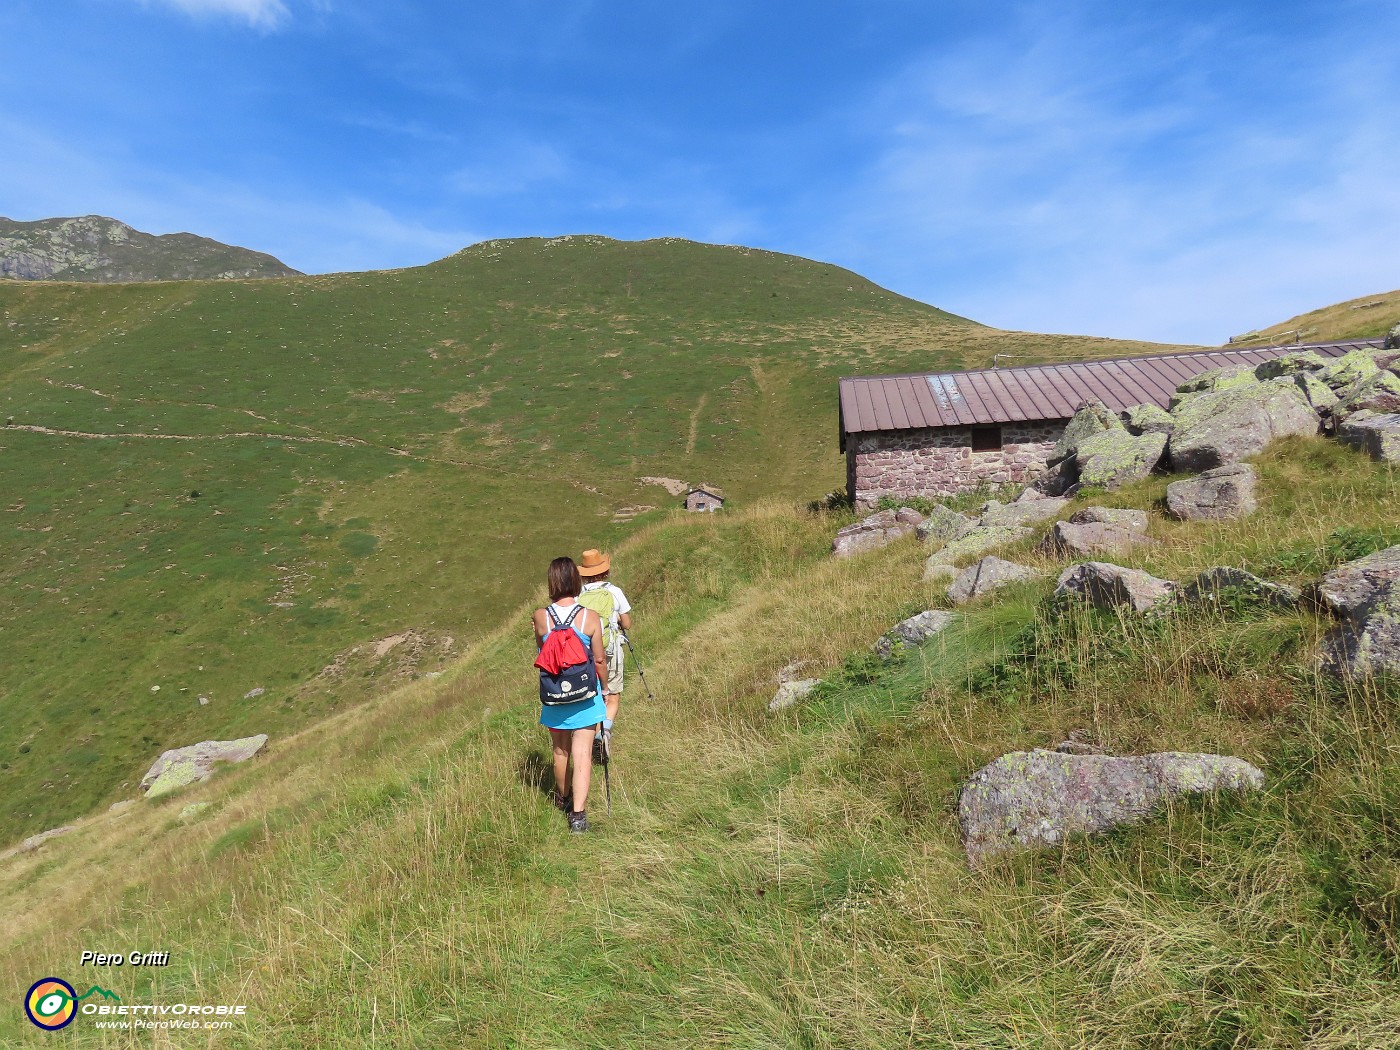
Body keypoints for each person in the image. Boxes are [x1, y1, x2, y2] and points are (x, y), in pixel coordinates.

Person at [533, 556, 608, 834]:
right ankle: (578, 816)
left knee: (560, 750)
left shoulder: (541, 617)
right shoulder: (590, 617)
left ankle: (561, 798)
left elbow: (542, 652)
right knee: (583, 753)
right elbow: (599, 659)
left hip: (554, 694)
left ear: (552, 582)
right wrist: (606, 686)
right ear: (576, 581)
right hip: (586, 695)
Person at [575, 548, 632, 759]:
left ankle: (593, 733)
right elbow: (627, 622)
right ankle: (604, 732)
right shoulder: (614, 591)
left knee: (594, 694)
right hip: (610, 648)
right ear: (604, 571)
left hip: (585, 652)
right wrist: (616, 619)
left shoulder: (578, 595)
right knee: (613, 695)